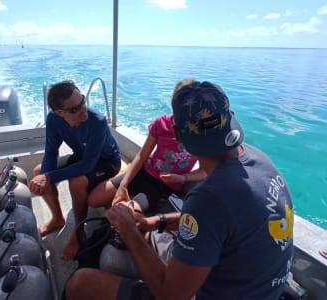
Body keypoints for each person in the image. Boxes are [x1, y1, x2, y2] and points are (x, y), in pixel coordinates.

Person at [65, 80, 294, 299]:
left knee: (80, 283)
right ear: (229, 118)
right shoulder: (260, 160)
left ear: (177, 135)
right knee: (149, 237)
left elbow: (171, 295)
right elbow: (220, 223)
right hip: (260, 289)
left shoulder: (208, 198)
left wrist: (128, 229)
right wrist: (156, 222)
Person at [28, 80, 121, 259]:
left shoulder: (97, 122)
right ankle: (57, 219)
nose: (83, 109)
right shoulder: (54, 120)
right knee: (39, 171)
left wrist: (50, 177)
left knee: (77, 181)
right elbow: (50, 153)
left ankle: (79, 230)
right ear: (60, 113)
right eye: (75, 109)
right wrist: (45, 177)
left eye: (83, 102)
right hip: (82, 156)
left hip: (106, 162)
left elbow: (87, 165)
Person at [87, 78, 206, 215]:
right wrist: (124, 184)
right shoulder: (161, 123)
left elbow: (204, 171)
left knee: (127, 214)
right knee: (93, 200)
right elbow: (142, 155)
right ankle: (126, 184)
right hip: (144, 172)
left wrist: (183, 178)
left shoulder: (202, 134)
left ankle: (135, 200)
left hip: (163, 187)